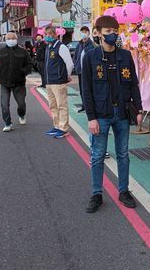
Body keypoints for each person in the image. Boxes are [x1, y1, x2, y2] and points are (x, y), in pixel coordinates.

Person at [82, 15, 143, 212]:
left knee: (123, 154)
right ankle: (97, 193)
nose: (112, 35)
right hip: (101, 114)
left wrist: (139, 108)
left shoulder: (125, 56)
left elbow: (133, 83)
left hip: (123, 112)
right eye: (108, 32)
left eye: (114, 31)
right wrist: (91, 117)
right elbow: (86, 90)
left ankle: (124, 190)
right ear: (98, 34)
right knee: (98, 155)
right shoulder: (90, 57)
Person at [0, 32, 33, 132]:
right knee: (4, 104)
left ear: (16, 39)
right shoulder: (0, 52)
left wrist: (23, 72)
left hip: (19, 82)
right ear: (5, 40)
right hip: (4, 82)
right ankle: (8, 123)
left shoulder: (23, 52)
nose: (10, 40)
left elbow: (29, 64)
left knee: (21, 103)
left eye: (12, 38)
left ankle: (21, 114)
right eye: (8, 38)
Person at [44, 25, 74, 139]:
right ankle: (56, 126)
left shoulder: (61, 47)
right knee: (53, 106)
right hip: (49, 81)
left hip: (58, 81)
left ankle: (63, 128)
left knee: (62, 105)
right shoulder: (49, 47)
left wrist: (66, 76)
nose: (47, 37)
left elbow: (69, 64)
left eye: (50, 34)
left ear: (55, 35)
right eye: (46, 35)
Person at [74, 26, 94, 113]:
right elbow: (75, 57)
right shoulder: (79, 44)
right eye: (82, 32)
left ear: (89, 33)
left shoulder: (92, 45)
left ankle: (90, 107)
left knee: (88, 90)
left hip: (88, 72)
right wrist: (76, 65)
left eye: (85, 32)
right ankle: (84, 105)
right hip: (80, 71)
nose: (84, 34)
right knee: (82, 90)